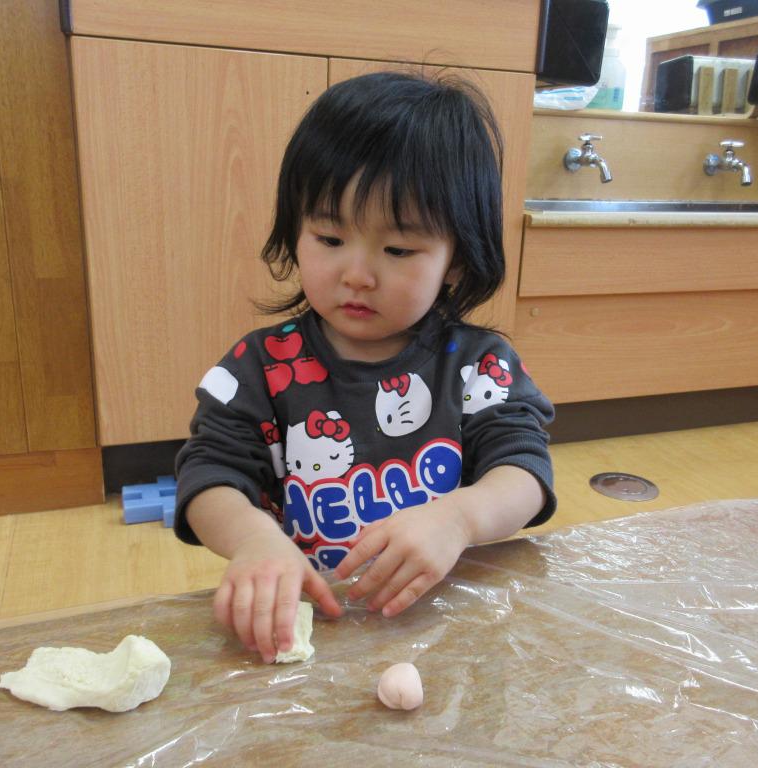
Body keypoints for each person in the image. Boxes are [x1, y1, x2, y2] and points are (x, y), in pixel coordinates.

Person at [174, 71, 555, 663]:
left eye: (398, 249)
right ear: (295, 231)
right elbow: (208, 475)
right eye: (329, 238)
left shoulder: (478, 366)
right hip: (313, 625)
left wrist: (460, 519)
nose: (357, 275)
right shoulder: (261, 367)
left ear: (456, 260)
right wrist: (253, 541)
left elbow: (524, 472)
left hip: (443, 624)